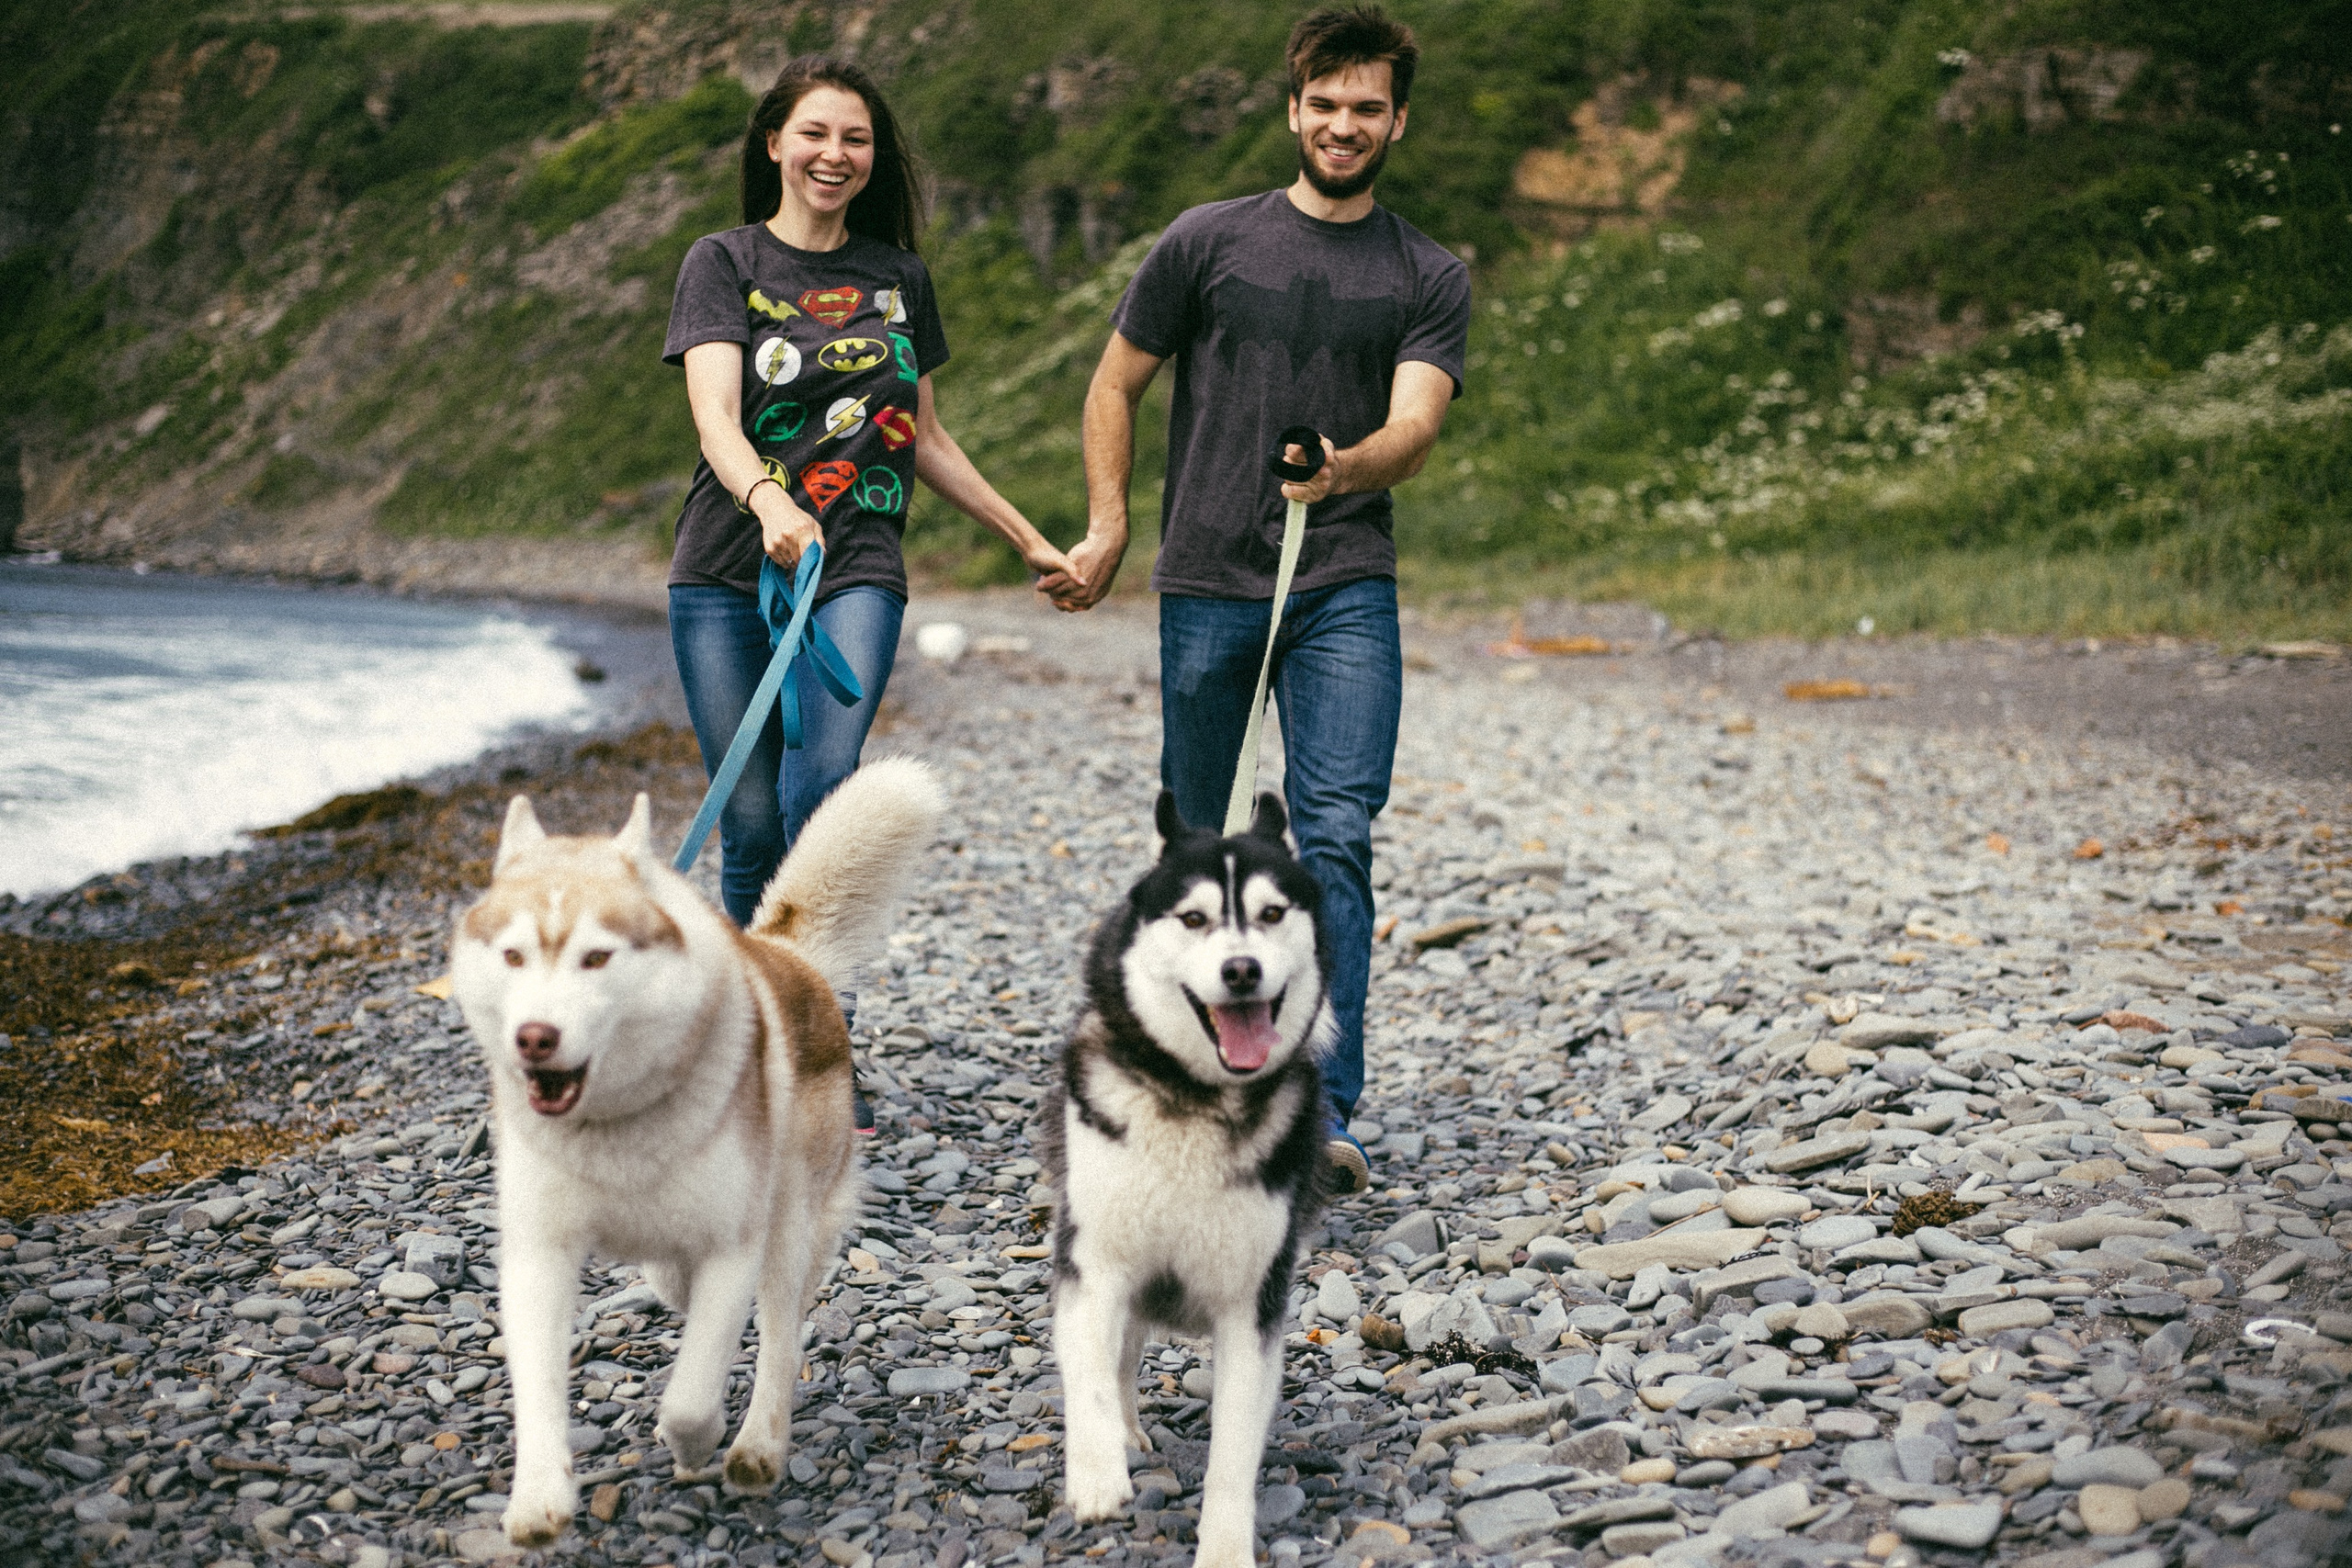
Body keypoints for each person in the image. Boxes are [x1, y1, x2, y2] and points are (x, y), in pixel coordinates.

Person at [1041, 6, 1470, 1191]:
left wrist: (1345, 470)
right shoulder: (1206, 241)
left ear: (1397, 120)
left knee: (1333, 832)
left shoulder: (1426, 272)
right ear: (1293, 110)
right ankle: (1187, 1075)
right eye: (1324, 104)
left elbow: (1418, 425)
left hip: (1342, 581)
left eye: (1367, 107)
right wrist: (1111, 524)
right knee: (1200, 842)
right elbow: (1115, 383)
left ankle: (1319, 1106)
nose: (1344, 124)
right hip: (1205, 579)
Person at [664, 56, 1078, 1129]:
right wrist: (769, 503)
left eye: (854, 139)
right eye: (814, 134)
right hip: (724, 565)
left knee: (826, 777)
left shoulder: (900, 276)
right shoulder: (722, 260)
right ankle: (758, 1043)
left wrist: (1029, 538)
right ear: (774, 144)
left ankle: (814, 1045)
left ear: (871, 158)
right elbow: (715, 416)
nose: (834, 155)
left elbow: (924, 435)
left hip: (855, 560)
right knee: (748, 819)